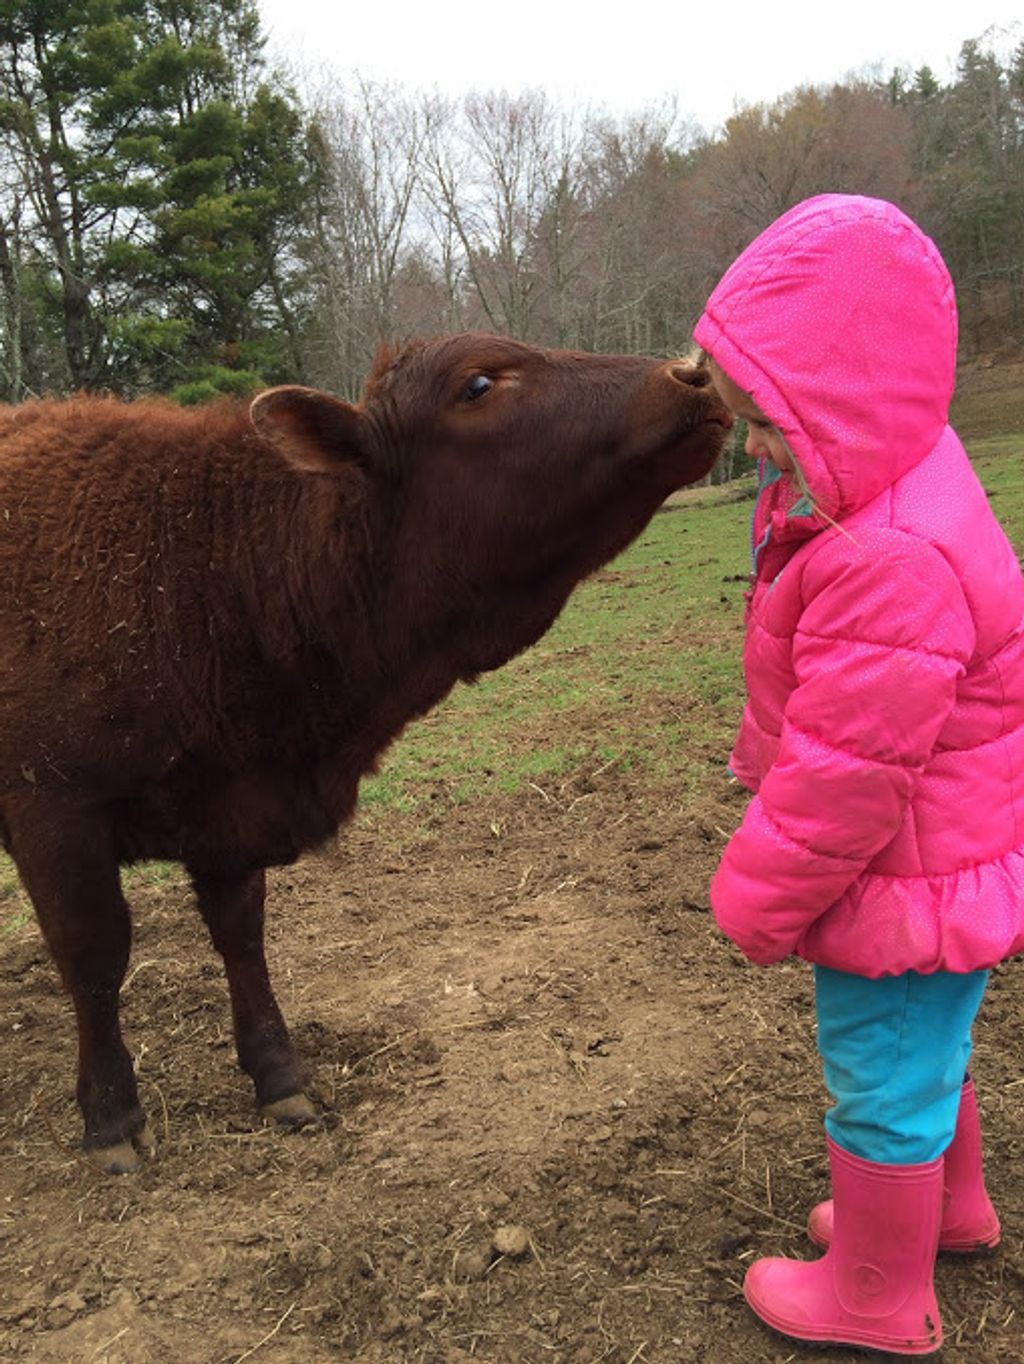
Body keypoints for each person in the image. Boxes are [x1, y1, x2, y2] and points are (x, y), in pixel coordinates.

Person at [692, 193, 1024, 1356]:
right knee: (926, 1042)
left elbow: (847, 777)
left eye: (765, 418)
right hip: (947, 857)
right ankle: (951, 1210)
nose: (749, 445)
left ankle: (878, 1293)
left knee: (880, 1065)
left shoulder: (880, 553)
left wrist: (756, 893)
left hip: (902, 868)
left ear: (839, 397)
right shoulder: (895, 471)